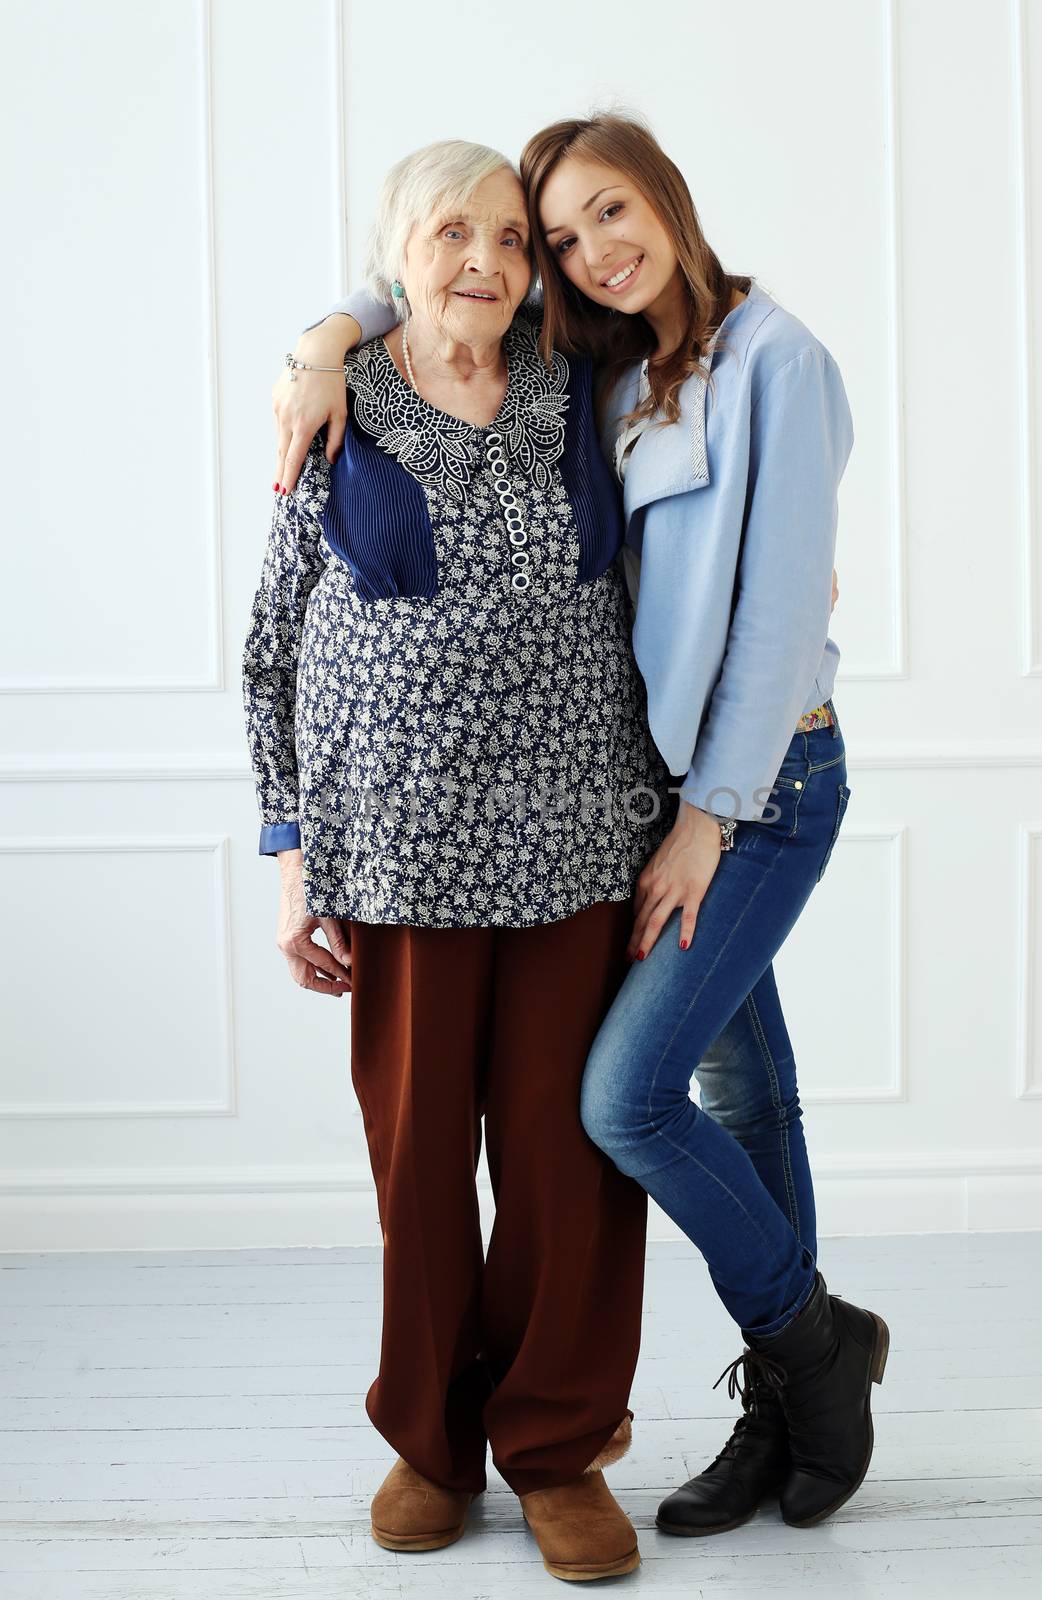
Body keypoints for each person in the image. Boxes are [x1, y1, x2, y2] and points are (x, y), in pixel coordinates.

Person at [274, 112, 888, 1549]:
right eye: (558, 237)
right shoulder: (594, 349)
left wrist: (697, 825)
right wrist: (322, 339)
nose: (576, 254)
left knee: (607, 1119)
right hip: (483, 835)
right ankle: (758, 1404)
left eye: (606, 216)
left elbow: (781, 609)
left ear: (668, 201)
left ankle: (710, 1378)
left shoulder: (745, 364)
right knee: (728, 1107)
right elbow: (427, 283)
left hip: (703, 802)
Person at [243, 138, 674, 1584]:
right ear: (395, 254)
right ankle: (431, 1442)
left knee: (561, 1157)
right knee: (419, 1155)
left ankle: (555, 1449)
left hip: (575, 833)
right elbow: (276, 643)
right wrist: (294, 848)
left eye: (506, 234)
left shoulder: (576, 381)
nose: (482, 259)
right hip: (397, 850)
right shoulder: (336, 405)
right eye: (449, 234)